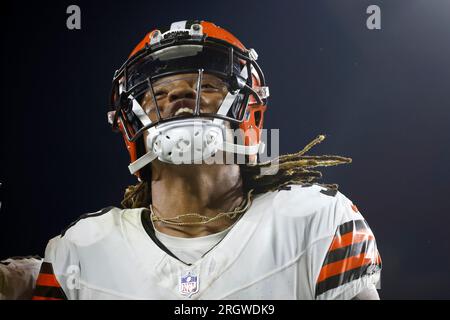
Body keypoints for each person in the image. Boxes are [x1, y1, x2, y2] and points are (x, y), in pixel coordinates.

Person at [32, 20, 382, 300]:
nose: (180, 94)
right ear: (130, 122)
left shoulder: (315, 221)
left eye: (207, 86)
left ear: (249, 111)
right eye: (159, 93)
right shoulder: (82, 249)